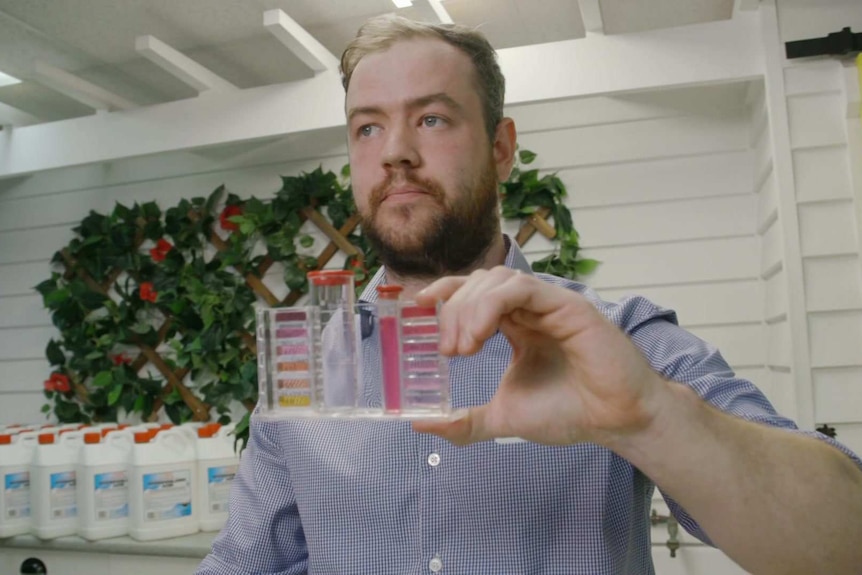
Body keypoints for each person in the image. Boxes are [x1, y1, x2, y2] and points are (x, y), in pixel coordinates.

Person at [197, 14, 862, 574]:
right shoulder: (305, 362)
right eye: (367, 127)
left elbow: (845, 541)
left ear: (501, 147)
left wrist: (651, 417)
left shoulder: (618, 336)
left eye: (430, 118)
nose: (395, 150)